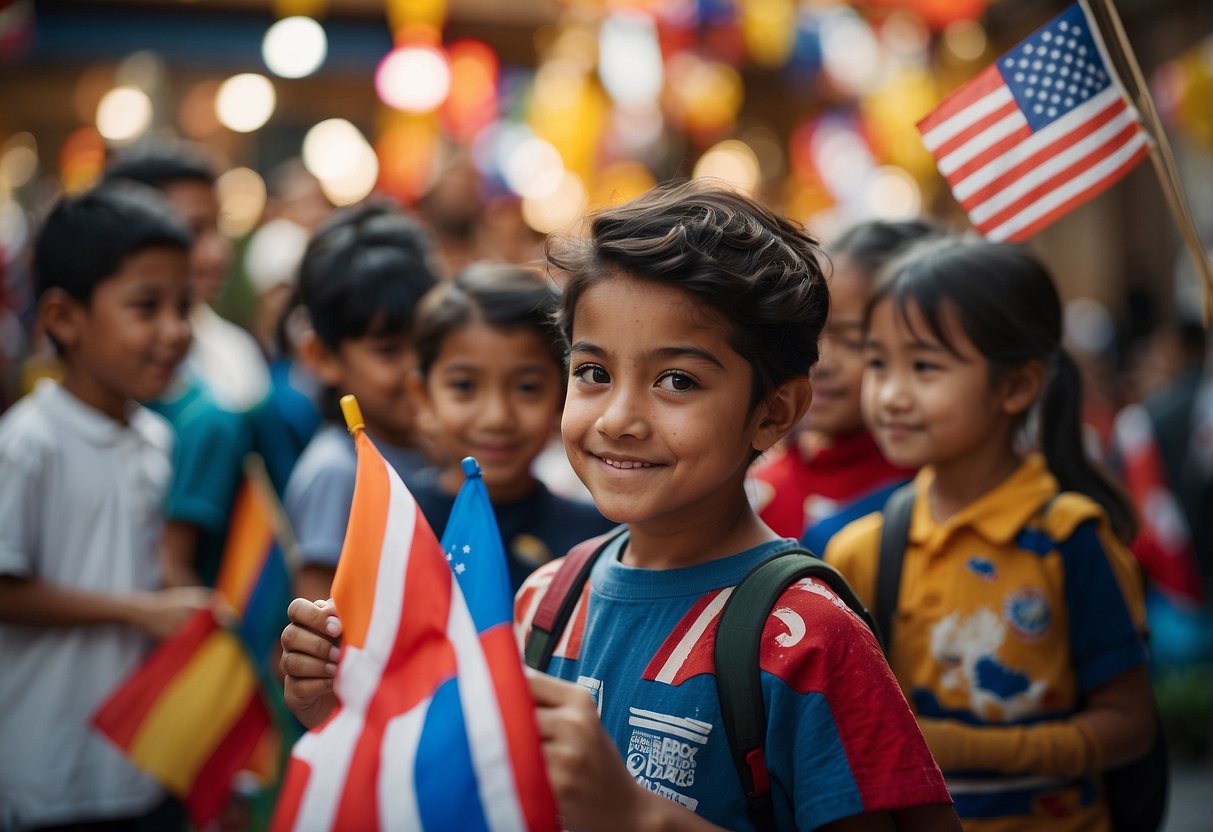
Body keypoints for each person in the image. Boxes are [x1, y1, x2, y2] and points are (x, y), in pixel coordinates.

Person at [280, 182, 959, 830]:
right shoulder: (545, 603)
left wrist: (637, 817)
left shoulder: (807, 639)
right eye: (593, 372)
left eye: (676, 380)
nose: (619, 419)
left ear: (773, 411)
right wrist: (343, 709)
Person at [823, 239, 1154, 830]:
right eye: (877, 363)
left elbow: (1129, 724)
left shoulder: (1069, 537)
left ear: (1016, 386)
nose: (891, 394)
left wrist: (967, 749)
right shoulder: (863, 547)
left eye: (924, 366)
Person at [0, 185, 211, 829]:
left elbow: (143, 564)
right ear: (64, 318)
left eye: (184, 306)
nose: (175, 331)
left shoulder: (155, 436)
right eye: (146, 307)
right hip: (49, 767)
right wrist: (141, 612)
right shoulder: (29, 442)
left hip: (140, 763)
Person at [406, 262, 615, 590]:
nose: (497, 417)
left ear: (561, 395)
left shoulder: (596, 539)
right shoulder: (395, 520)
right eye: (464, 386)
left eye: (527, 387)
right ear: (422, 397)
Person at [105, 143, 258, 588]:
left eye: (219, 228)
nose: (217, 252)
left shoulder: (235, 354)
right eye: (193, 231)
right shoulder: (101, 373)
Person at [284, 201, 441, 602]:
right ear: (321, 356)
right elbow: (317, 629)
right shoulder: (337, 473)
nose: (413, 370)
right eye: (387, 350)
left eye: (423, 344)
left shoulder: (435, 449)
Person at [749, 220, 939, 550]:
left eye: (852, 341)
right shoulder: (755, 492)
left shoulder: (936, 499)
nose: (819, 362)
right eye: (808, 335)